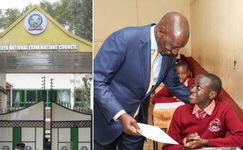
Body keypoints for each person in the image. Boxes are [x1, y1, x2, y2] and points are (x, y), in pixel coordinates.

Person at [94, 12, 190, 150]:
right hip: (107, 121)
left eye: (179, 48)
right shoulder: (124, 39)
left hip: (138, 123)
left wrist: (198, 102)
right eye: (174, 46)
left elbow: (173, 84)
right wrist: (120, 115)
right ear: (161, 33)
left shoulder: (168, 52)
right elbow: (97, 81)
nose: (176, 52)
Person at [163, 73, 243, 150]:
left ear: (212, 95)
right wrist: (184, 148)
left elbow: (241, 138)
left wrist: (206, 142)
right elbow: (167, 147)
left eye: (198, 88)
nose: (191, 89)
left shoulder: (224, 109)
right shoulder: (181, 111)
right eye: (193, 85)